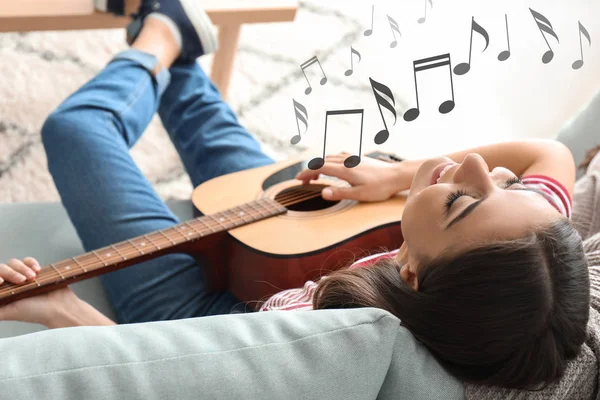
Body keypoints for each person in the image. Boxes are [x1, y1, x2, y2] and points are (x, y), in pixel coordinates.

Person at [0, 0, 592, 391]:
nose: (472, 165)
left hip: (214, 313)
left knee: (75, 131)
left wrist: (61, 309)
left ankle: (157, 33)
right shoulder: (528, 253)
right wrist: (396, 178)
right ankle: (167, 32)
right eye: (505, 184)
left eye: (463, 200)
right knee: (217, 132)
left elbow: (177, 368)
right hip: (309, 235)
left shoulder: (324, 334)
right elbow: (553, 155)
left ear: (411, 274)